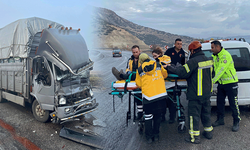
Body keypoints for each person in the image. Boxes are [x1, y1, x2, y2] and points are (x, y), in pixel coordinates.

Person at [167, 41, 213, 144]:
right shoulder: (209, 60)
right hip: (206, 93)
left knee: (194, 116)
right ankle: (208, 133)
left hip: (196, 94)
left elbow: (182, 73)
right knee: (206, 113)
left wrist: (171, 68)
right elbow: (212, 74)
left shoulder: (192, 62)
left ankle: (194, 137)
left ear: (192, 51)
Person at [135, 53, 168, 143]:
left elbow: (139, 84)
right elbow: (165, 75)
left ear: (141, 61)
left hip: (148, 97)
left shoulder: (140, 69)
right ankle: (156, 135)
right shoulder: (158, 64)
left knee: (148, 117)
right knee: (157, 116)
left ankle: (149, 137)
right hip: (161, 95)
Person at [210, 40, 240, 132]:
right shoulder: (216, 56)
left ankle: (236, 121)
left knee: (233, 104)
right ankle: (220, 120)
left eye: (212, 47)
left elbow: (220, 70)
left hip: (231, 83)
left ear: (218, 47)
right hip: (222, 83)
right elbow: (214, 69)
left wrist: (213, 81)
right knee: (220, 102)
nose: (211, 49)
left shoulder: (225, 55)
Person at [112, 45, 143, 119]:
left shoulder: (143, 59)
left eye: (136, 52)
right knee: (137, 96)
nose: (135, 54)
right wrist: (128, 72)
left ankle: (121, 75)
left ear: (139, 51)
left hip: (141, 76)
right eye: (133, 52)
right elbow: (128, 68)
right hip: (132, 76)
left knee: (139, 95)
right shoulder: (130, 60)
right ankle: (122, 75)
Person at [163, 38, 185, 123]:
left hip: (178, 78)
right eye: (178, 44)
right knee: (168, 98)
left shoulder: (182, 52)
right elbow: (163, 62)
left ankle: (173, 116)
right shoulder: (169, 51)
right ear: (175, 44)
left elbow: (183, 64)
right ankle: (165, 116)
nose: (179, 45)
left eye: (181, 44)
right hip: (169, 77)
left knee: (176, 98)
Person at [152, 47, 173, 123]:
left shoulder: (166, 58)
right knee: (162, 102)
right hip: (161, 83)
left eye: (155, 56)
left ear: (159, 54)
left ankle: (172, 118)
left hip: (170, 81)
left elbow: (166, 65)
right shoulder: (156, 61)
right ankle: (162, 117)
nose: (154, 58)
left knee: (171, 102)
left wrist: (159, 64)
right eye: (153, 57)